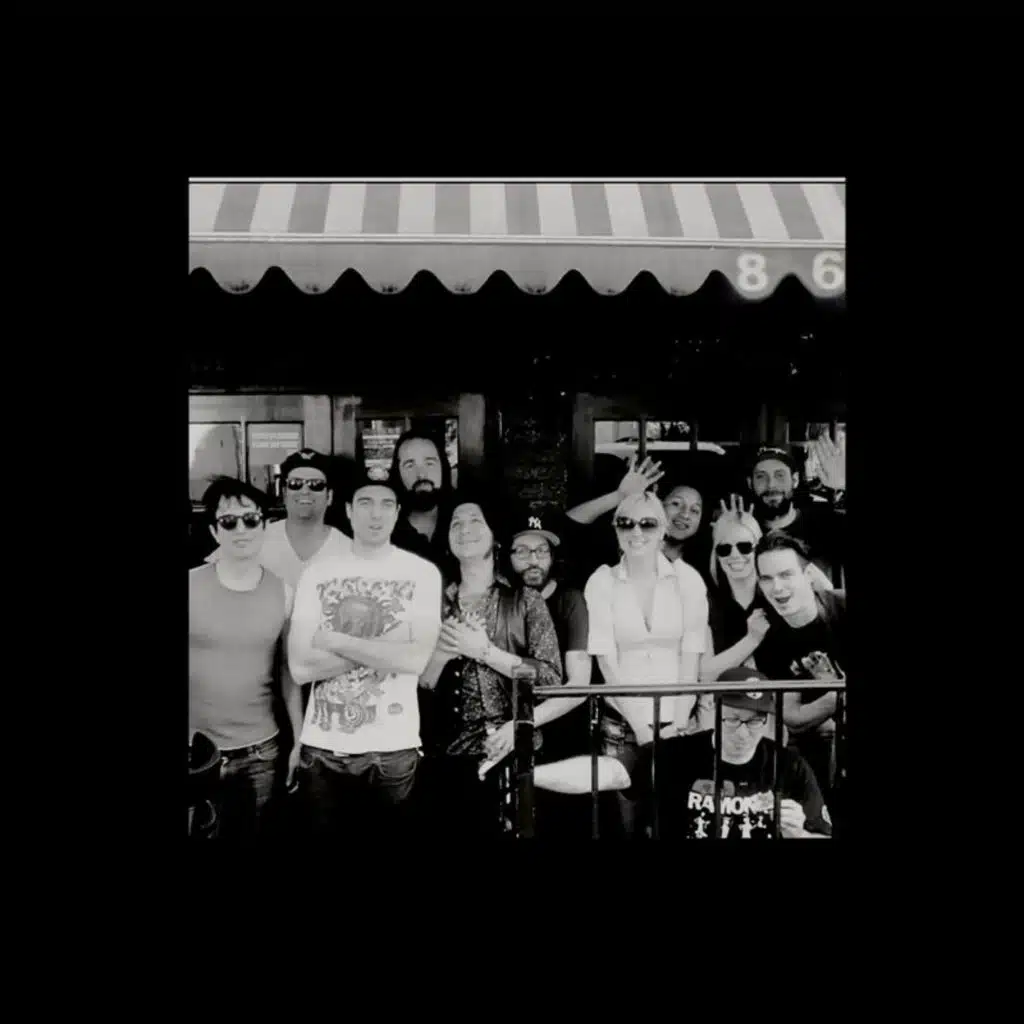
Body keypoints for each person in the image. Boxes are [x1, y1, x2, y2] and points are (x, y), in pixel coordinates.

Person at [286, 472, 442, 839]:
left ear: (397, 512)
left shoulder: (422, 573)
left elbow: (415, 661)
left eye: (386, 504)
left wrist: (333, 639)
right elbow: (300, 668)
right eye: (366, 503)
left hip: (393, 747)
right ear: (348, 510)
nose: (376, 513)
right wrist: (390, 643)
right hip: (323, 747)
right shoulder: (317, 574)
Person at [420, 490, 562, 839]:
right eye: (456, 523)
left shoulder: (525, 600)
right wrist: (441, 655)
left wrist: (484, 651)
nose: (465, 529)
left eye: (475, 521)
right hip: (448, 757)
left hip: (515, 751)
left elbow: (551, 679)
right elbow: (418, 686)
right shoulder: (431, 602)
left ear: (495, 537)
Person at [580, 490, 709, 836]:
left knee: (675, 824)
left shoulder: (688, 579)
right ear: (615, 529)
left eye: (647, 524)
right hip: (622, 725)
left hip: (677, 721)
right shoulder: (602, 580)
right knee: (626, 827)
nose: (636, 532)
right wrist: (640, 727)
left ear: (663, 529)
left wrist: (678, 723)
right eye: (626, 523)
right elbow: (606, 660)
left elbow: (691, 654)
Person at [189, 478, 296, 839]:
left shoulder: (284, 592)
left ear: (265, 526)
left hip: (261, 751)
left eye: (250, 520)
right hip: (195, 752)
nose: (241, 530)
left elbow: (288, 672)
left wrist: (299, 740)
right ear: (214, 531)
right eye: (229, 521)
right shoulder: (189, 585)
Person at [625, 668, 832, 839]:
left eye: (754, 722)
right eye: (732, 720)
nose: (743, 733)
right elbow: (625, 795)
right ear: (714, 709)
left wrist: (799, 834)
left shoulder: (790, 765)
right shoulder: (670, 756)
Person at [490, 508, 594, 838]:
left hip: (560, 731)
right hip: (502, 733)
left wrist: (524, 723)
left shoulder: (570, 600)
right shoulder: (499, 601)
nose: (533, 560)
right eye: (522, 551)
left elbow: (579, 685)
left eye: (541, 550)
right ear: (506, 556)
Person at [752, 530, 847, 803]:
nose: (777, 587)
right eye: (766, 578)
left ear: (808, 575)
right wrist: (838, 695)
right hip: (817, 748)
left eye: (786, 575)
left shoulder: (842, 608)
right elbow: (793, 718)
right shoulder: (770, 638)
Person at [204, 448, 351, 590]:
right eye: (295, 484)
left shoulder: (348, 549)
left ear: (329, 496)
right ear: (284, 493)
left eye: (316, 485)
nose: (305, 491)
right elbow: (210, 577)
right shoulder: (254, 536)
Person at [747, 438, 845, 585]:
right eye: (761, 476)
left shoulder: (827, 522)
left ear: (795, 480)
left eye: (780, 475)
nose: (771, 484)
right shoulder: (741, 533)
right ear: (750, 483)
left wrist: (844, 485)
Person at [386, 428, 454, 571]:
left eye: (430, 463)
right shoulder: (385, 528)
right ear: (398, 474)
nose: (421, 474)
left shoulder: (462, 519)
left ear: (443, 468)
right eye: (410, 465)